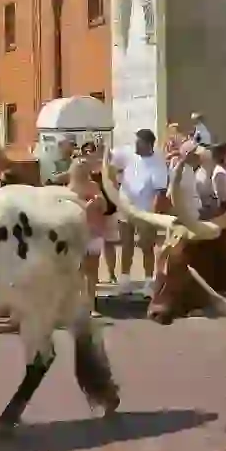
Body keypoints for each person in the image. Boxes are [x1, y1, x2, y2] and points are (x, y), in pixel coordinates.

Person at [110, 128, 169, 295]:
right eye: (136, 141)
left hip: (145, 211)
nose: (135, 145)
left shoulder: (158, 163)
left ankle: (149, 281)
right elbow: (110, 159)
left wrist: (154, 217)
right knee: (126, 243)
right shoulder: (128, 153)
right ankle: (125, 280)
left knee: (146, 246)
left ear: (149, 145)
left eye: (139, 142)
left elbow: (161, 192)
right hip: (125, 207)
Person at [67, 157, 108, 317]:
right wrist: (87, 206)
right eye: (80, 168)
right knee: (78, 271)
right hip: (77, 234)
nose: (83, 171)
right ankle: (76, 305)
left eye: (85, 168)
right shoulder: (69, 190)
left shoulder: (94, 186)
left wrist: (100, 201)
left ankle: (91, 305)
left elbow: (104, 208)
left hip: (95, 232)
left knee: (92, 272)